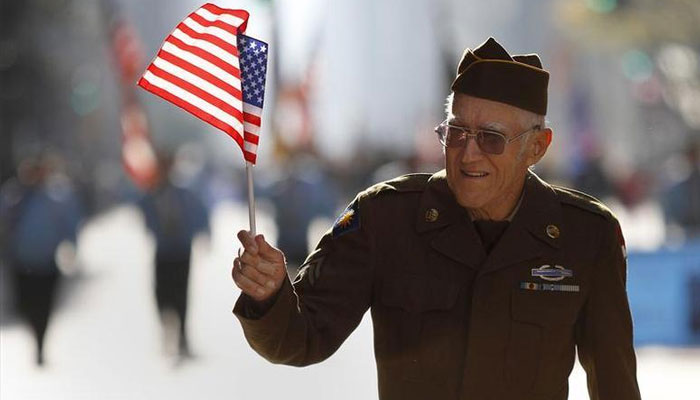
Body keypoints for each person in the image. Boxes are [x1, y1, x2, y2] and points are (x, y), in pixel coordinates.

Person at [231, 37, 641, 400]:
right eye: (457, 132)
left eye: (491, 138)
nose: (469, 153)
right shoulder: (384, 216)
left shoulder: (586, 235)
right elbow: (301, 338)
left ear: (537, 147)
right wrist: (270, 296)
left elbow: (614, 384)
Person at [139, 151, 209, 359]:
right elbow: (144, 214)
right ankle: (165, 326)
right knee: (162, 294)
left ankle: (182, 337)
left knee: (182, 295)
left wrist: (201, 233)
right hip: (163, 252)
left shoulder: (185, 193)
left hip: (181, 251)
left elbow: (199, 214)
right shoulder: (152, 195)